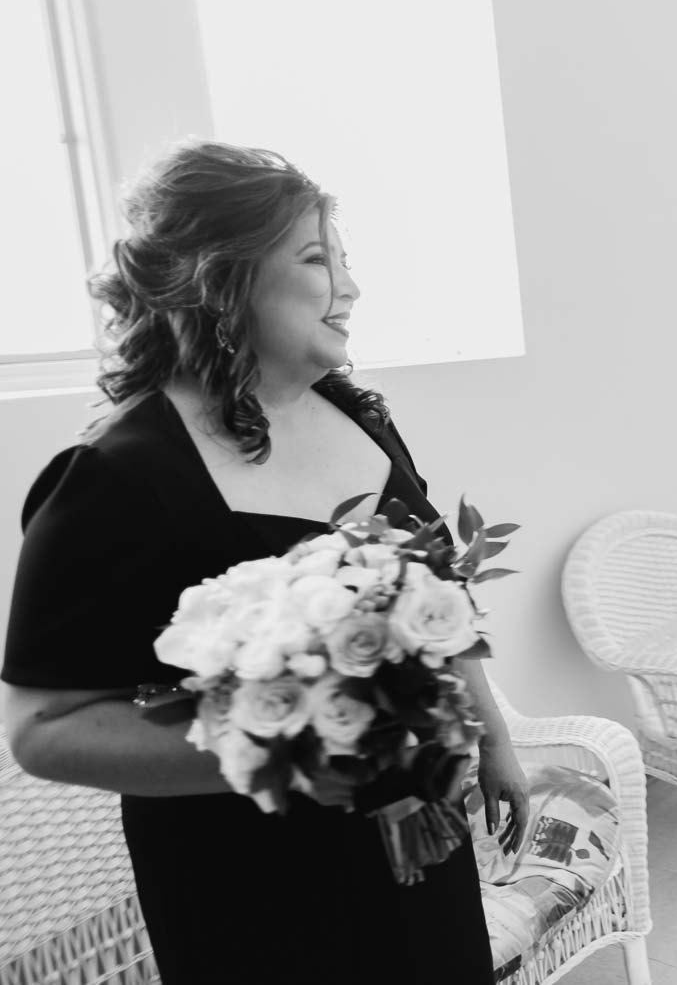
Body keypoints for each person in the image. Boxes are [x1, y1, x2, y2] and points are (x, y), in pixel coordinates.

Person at [1, 141, 528, 984]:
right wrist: (293, 745)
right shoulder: (118, 474)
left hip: (419, 848)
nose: (351, 289)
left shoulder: (361, 417)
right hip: (252, 891)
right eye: (318, 259)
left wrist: (490, 732)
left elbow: (435, 596)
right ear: (220, 279)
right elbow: (43, 729)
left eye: (345, 260)